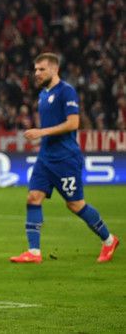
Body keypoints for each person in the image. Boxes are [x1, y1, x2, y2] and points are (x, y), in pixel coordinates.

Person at [10, 53, 119, 263]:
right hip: (45, 158)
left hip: (65, 158)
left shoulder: (66, 91)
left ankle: (109, 240)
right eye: (35, 69)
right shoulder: (43, 95)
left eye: (41, 69)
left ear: (54, 69)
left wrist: (41, 132)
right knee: (33, 197)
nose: (36, 73)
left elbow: (73, 123)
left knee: (75, 204)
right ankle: (34, 252)